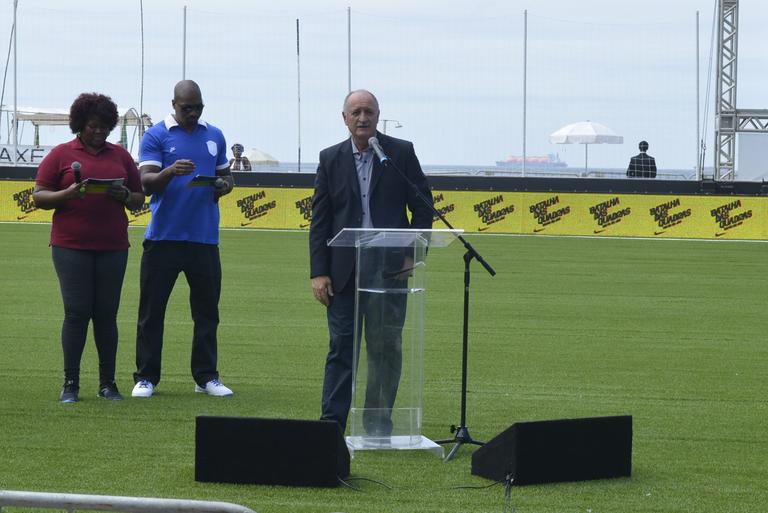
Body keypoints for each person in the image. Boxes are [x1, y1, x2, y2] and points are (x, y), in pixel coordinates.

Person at [309, 89, 434, 434]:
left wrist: (413, 251)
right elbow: (320, 221)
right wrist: (318, 272)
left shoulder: (399, 153)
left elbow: (423, 204)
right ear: (344, 118)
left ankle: (378, 423)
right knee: (341, 349)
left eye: (369, 112)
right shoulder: (330, 158)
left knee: (385, 348)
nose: (362, 118)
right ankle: (331, 424)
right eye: (356, 112)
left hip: (391, 269)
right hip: (343, 274)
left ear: (378, 116)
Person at [33, 92, 145, 403]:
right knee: (77, 313)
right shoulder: (60, 154)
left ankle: (108, 383)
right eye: (94, 126)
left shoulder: (120, 155)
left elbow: (139, 198)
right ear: (80, 124)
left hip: (112, 246)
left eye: (105, 127)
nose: (99, 132)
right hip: (71, 247)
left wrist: (124, 196)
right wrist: (67, 194)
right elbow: (39, 197)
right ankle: (71, 383)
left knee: (106, 315)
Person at [132, 80, 235, 398]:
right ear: (173, 105)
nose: (192, 113)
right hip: (163, 238)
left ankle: (206, 377)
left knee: (207, 312)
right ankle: (146, 377)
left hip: (204, 239)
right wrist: (170, 172)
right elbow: (146, 183)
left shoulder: (214, 135)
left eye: (197, 107)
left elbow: (227, 176)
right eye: (186, 108)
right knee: (152, 311)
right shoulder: (156, 135)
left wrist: (224, 185)